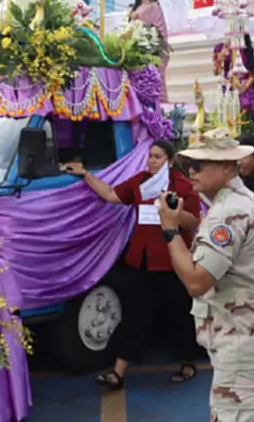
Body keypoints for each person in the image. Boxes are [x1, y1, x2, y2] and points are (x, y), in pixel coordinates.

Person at [156, 129, 254, 422]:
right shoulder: (250, 202)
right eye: (189, 165)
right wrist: (185, 221)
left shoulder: (226, 214)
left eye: (201, 164)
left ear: (227, 167)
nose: (192, 171)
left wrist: (170, 230)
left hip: (245, 350)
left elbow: (197, 282)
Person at [62, 141, 202, 388]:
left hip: (173, 263)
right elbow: (111, 195)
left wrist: (174, 213)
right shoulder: (139, 181)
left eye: (158, 157)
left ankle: (187, 362)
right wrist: (86, 175)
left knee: (179, 314)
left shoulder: (181, 185)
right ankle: (118, 373)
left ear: (169, 161)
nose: (152, 161)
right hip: (142, 261)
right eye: (150, 156)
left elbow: (192, 222)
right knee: (135, 316)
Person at [213, 35, 254, 125]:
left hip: (248, 88)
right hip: (231, 90)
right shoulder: (225, 50)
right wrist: (221, 56)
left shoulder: (250, 52)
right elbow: (216, 72)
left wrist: (245, 86)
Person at [129, 0, 170, 101]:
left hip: (154, 50)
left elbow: (158, 29)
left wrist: (135, 18)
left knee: (155, 79)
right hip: (139, 50)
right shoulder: (138, 7)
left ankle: (160, 108)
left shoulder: (154, 6)